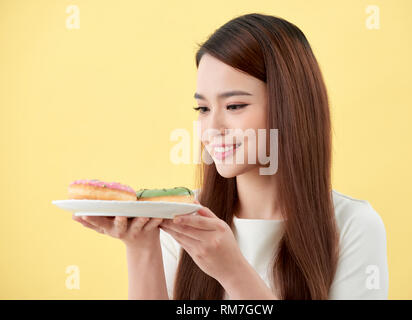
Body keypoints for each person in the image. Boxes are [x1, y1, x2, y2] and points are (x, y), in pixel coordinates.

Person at [73, 13, 388, 300]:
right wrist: (141, 248)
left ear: (290, 109)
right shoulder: (182, 220)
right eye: (203, 109)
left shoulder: (352, 226)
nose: (212, 128)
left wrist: (233, 271)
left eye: (234, 106)